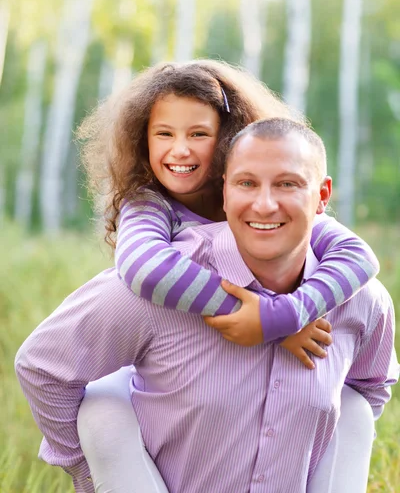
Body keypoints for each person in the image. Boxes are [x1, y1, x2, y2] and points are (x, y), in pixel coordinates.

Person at [15, 117, 398, 492]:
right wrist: (92, 471)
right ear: (225, 192)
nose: (265, 205)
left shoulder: (361, 302)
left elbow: (369, 388)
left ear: (322, 197)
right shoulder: (157, 288)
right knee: (102, 408)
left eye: (288, 184)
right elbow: (42, 368)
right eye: (247, 183)